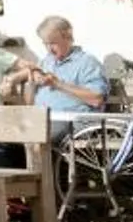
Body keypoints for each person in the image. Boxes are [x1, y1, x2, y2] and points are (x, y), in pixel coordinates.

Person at [7, 15, 107, 170]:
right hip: (44, 119)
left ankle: (42, 190)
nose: (48, 49)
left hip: (72, 121)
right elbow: (30, 103)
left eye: (53, 43)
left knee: (37, 136)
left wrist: (57, 84)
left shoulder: (87, 62)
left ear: (68, 37)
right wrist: (31, 81)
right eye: (45, 44)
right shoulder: (47, 61)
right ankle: (11, 190)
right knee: (2, 137)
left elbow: (97, 99)